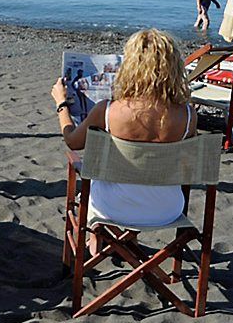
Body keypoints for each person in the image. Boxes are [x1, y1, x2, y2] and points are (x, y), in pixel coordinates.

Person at [50, 28, 197, 229]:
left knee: (99, 187)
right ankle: (122, 244)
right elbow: (187, 163)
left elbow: (72, 141)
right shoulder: (188, 115)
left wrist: (61, 104)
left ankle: (98, 239)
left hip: (113, 209)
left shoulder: (109, 110)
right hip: (168, 211)